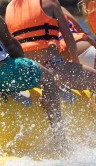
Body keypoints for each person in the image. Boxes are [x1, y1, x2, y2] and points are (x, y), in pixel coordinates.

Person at [4, 0, 96, 131]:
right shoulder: (47, 0)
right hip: (51, 68)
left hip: (27, 70)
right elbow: (68, 37)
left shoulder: (10, 7)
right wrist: (75, 63)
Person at [0, 15, 67, 152]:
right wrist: (22, 61)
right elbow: (10, 43)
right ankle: (60, 139)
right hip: (5, 72)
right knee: (48, 78)